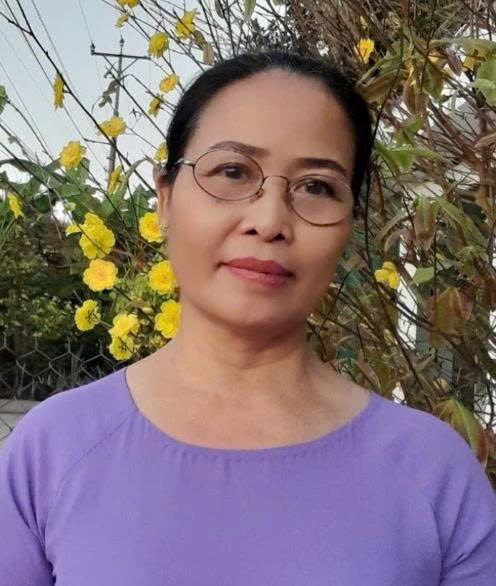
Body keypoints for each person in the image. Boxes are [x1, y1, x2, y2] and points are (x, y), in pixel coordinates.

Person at [0, 50, 495, 586]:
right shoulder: (54, 450)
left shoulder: (433, 474)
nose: (269, 220)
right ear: (164, 199)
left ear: (350, 224)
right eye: (232, 171)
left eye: (316, 186)